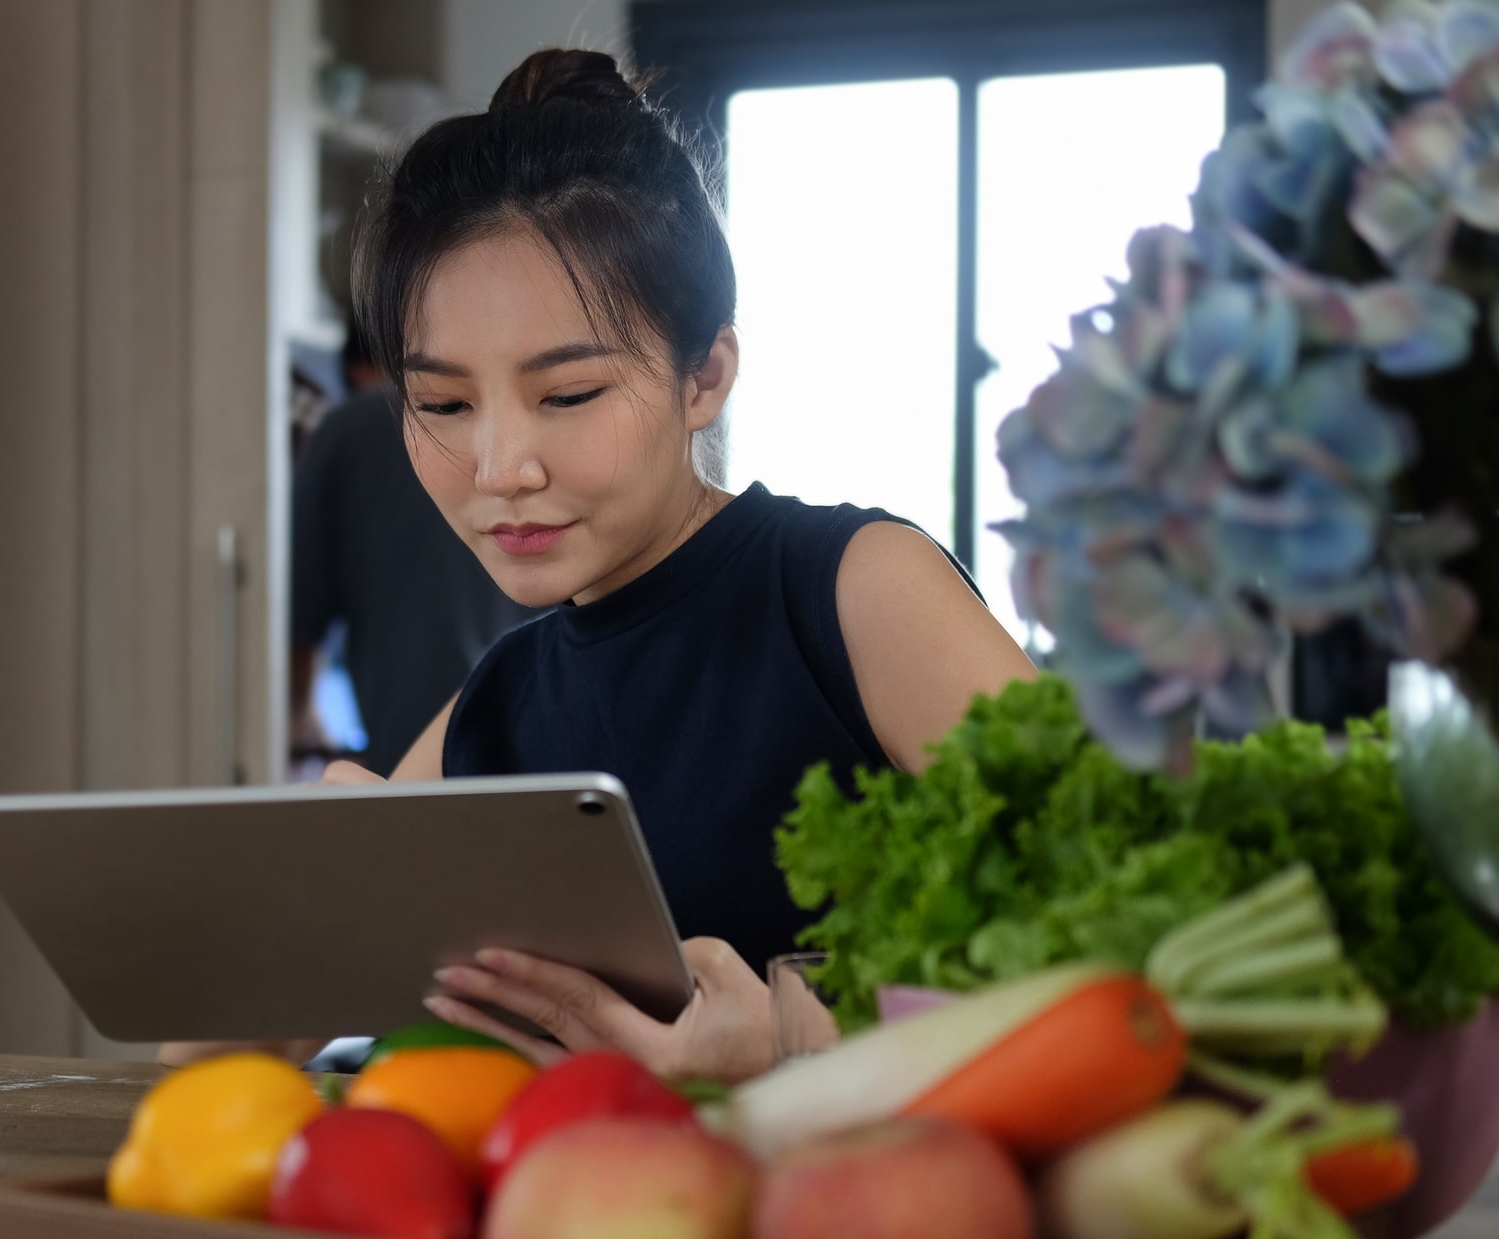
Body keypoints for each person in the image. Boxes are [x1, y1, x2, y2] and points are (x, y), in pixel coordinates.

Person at [311, 48, 1037, 1084]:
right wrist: (306, 901)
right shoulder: (501, 700)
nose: (500, 468)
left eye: (567, 396)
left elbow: (1133, 953)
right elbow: (203, 1058)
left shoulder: (855, 592)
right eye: (443, 404)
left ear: (706, 375)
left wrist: (798, 1044)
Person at [290, 326, 536, 778]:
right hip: (547, 745)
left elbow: (300, 613)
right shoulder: (526, 428)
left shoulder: (349, 431)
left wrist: (301, 718)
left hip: (405, 746)